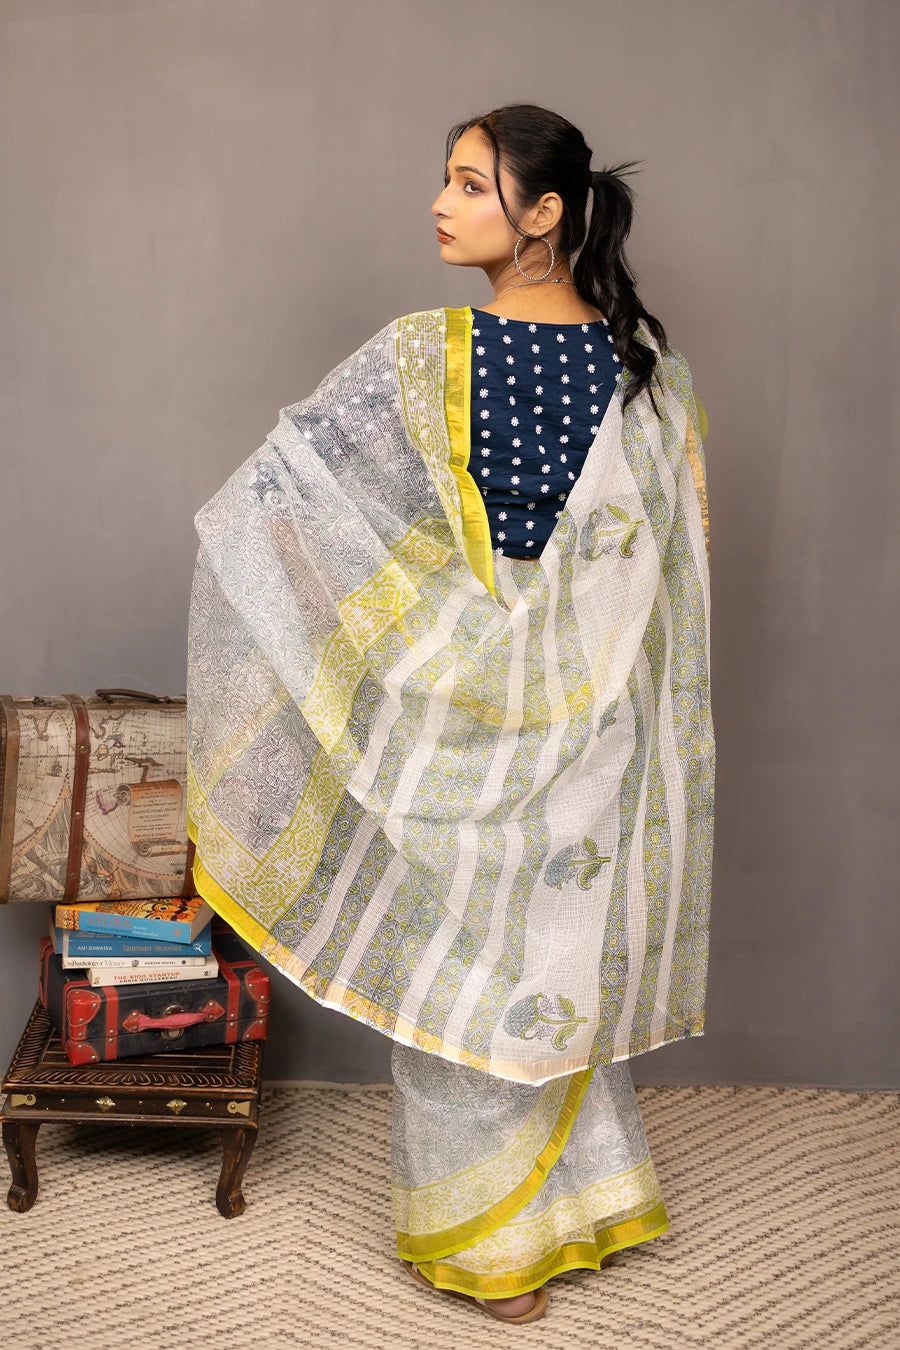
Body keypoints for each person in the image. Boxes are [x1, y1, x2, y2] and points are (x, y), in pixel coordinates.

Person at [185, 103, 713, 1326]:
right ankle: (566, 1214)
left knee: (464, 964)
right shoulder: (651, 378)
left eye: (471, 185)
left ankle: (487, 1242)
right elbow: (662, 580)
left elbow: (281, 503)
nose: (441, 203)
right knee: (552, 957)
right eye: (446, 181)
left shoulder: (425, 355)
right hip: (598, 707)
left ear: (543, 214)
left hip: (456, 700)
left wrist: (371, 624)